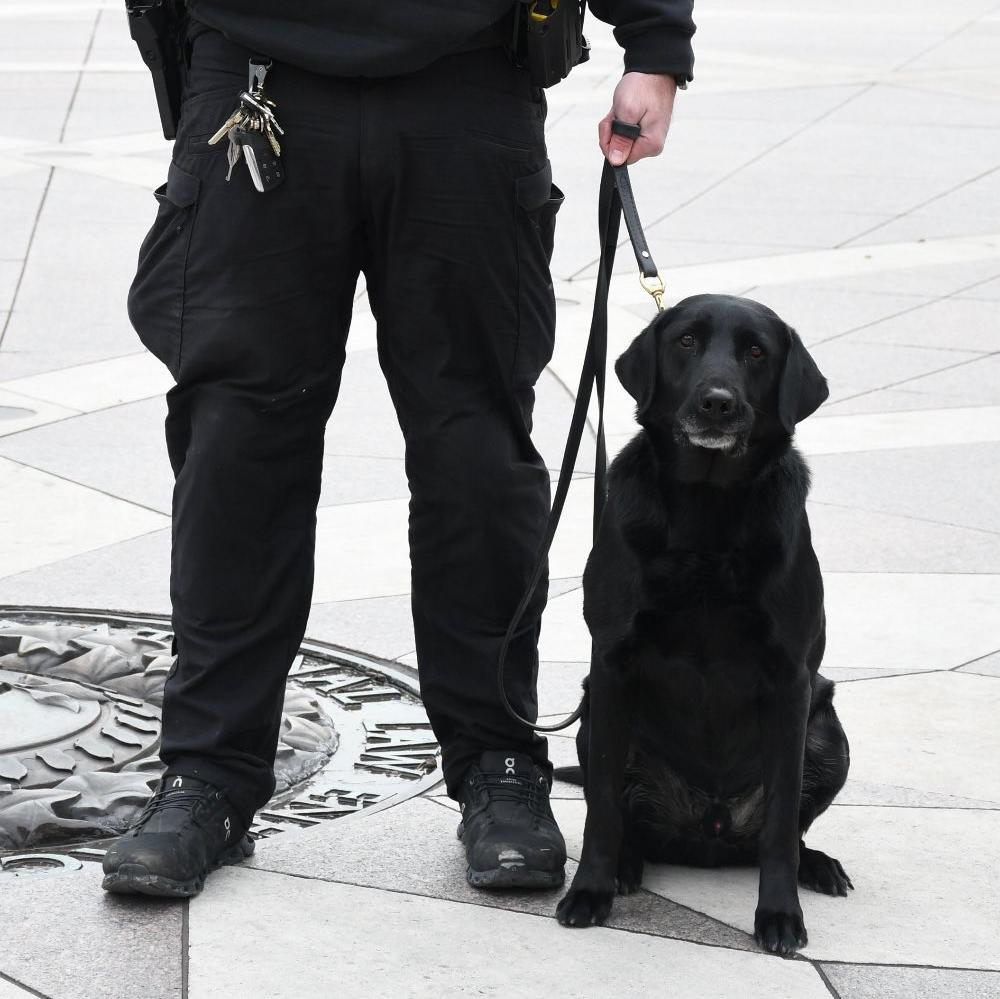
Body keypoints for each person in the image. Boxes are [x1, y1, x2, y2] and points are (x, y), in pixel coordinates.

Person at [102, 0, 696, 898]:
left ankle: (499, 766)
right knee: (236, 447)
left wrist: (655, 43)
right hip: (257, 79)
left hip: (469, 82)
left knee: (478, 455)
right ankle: (207, 777)